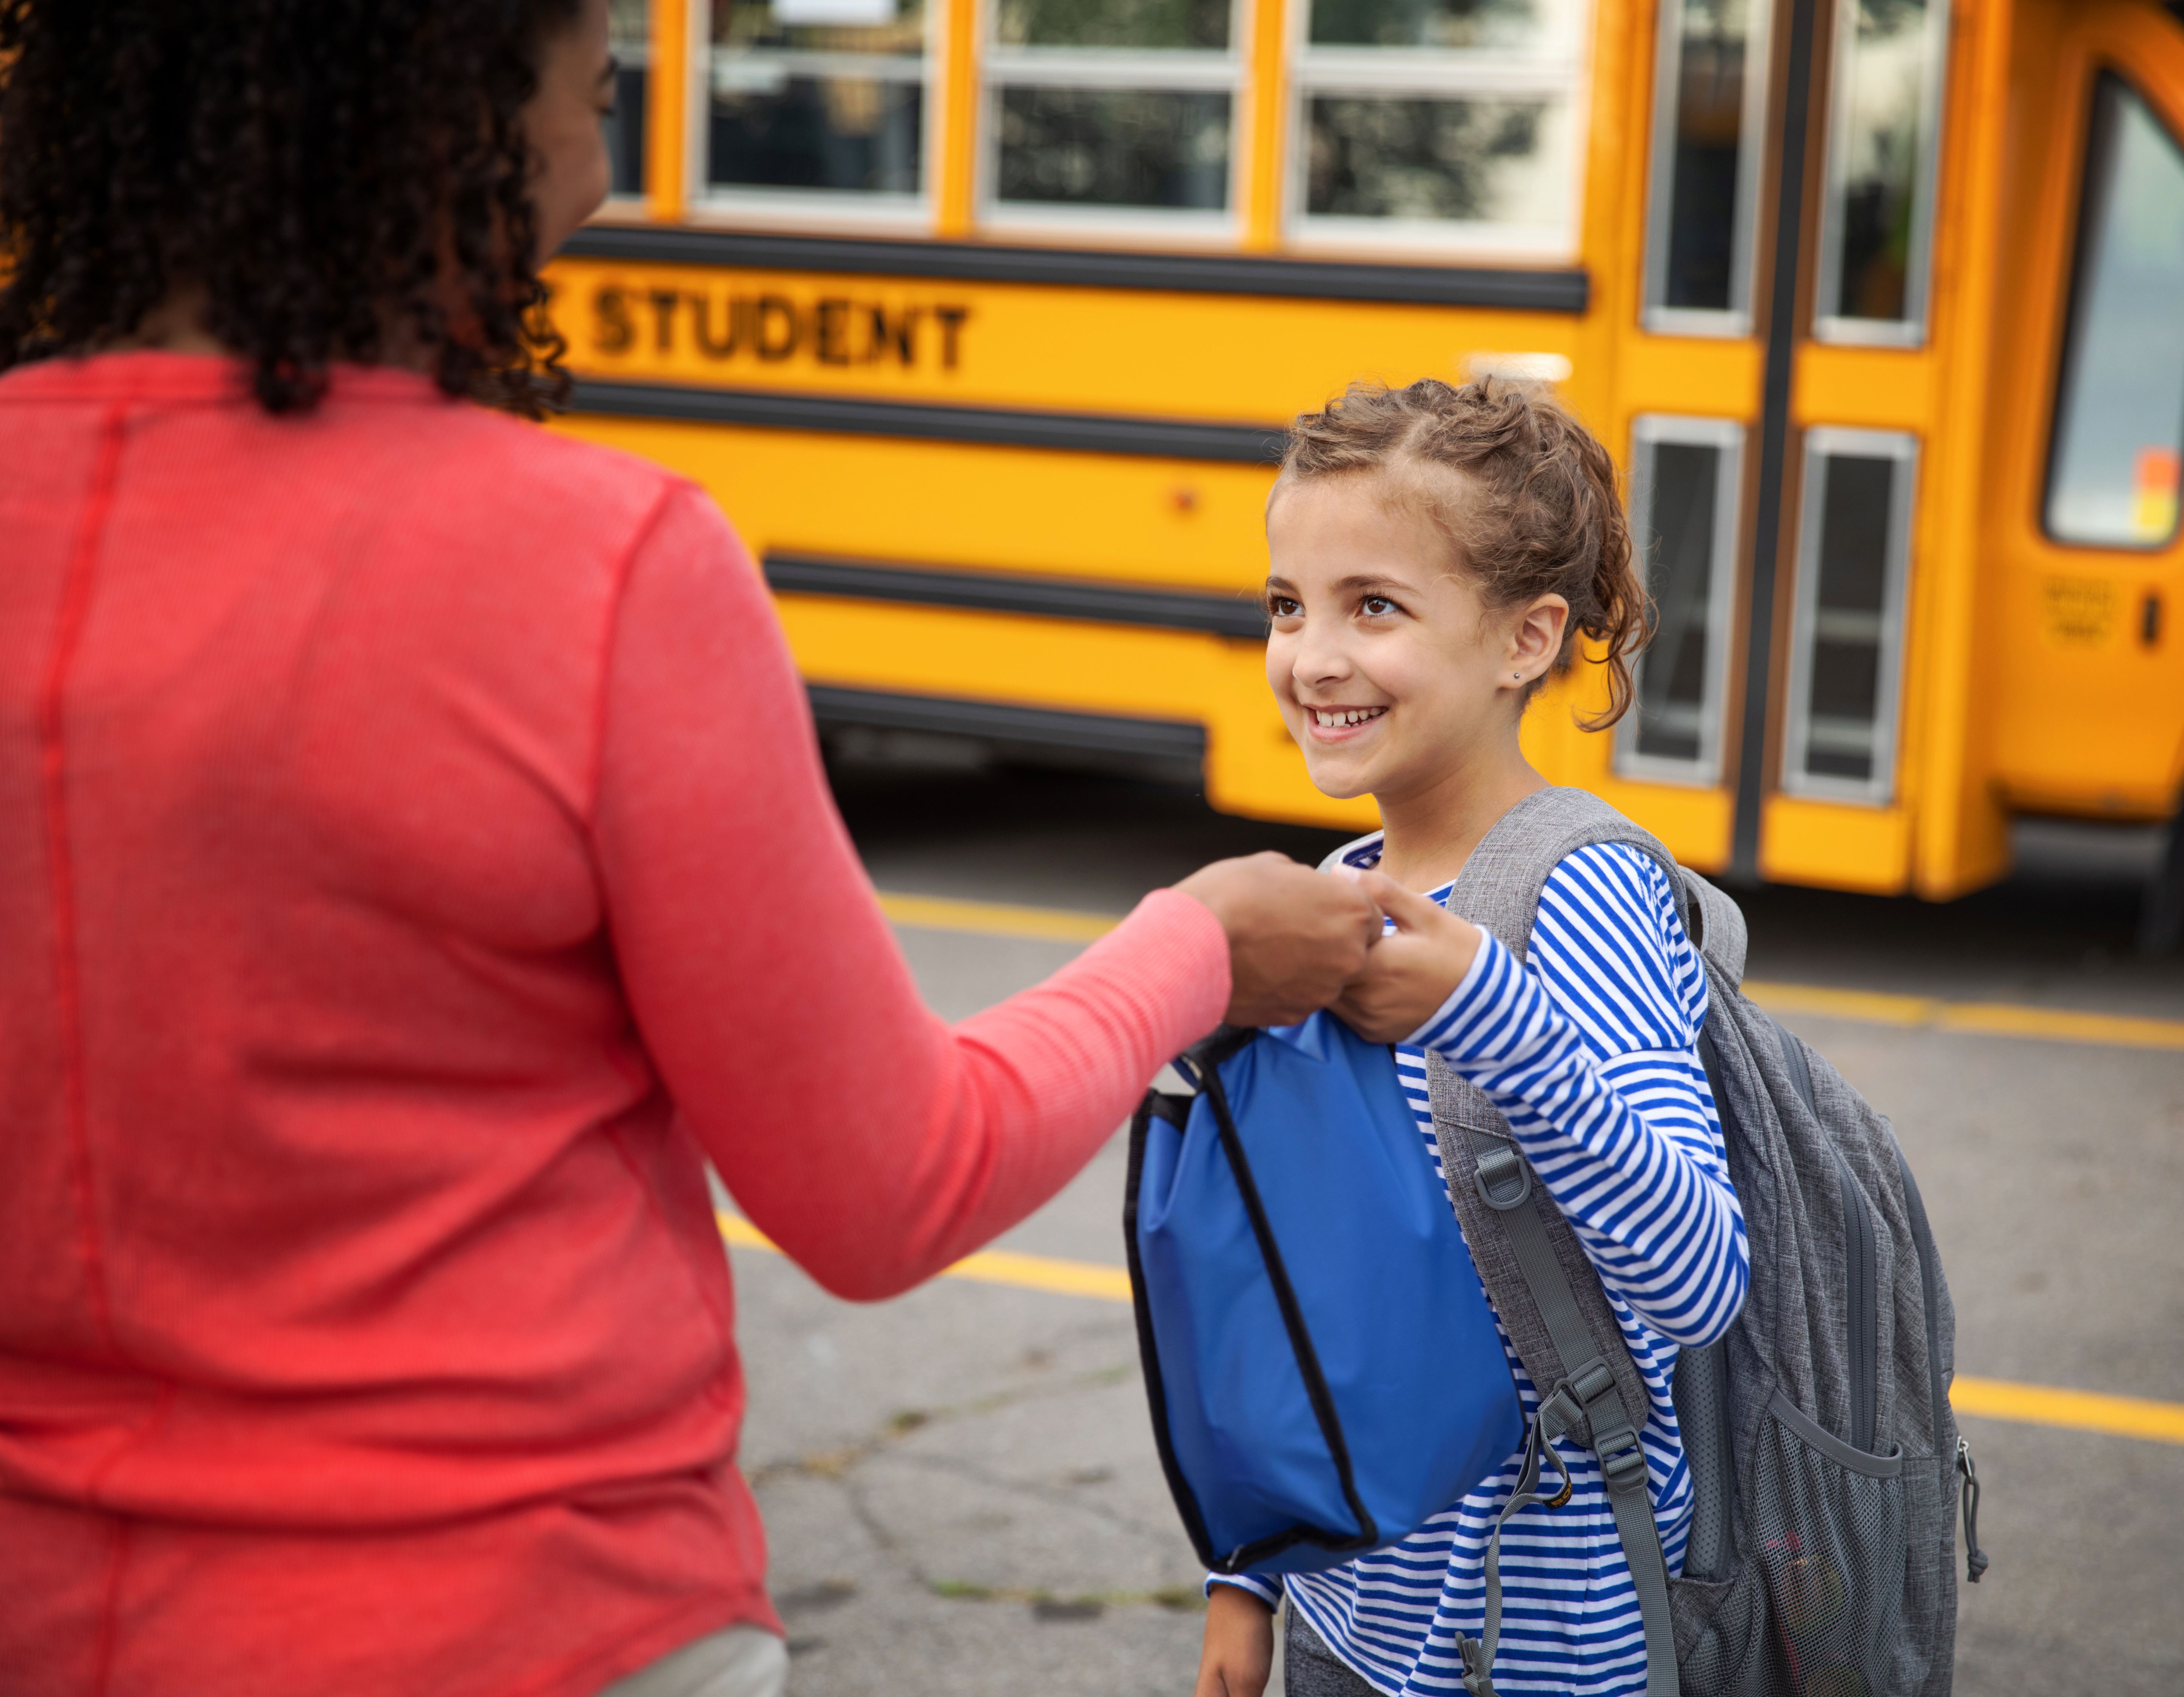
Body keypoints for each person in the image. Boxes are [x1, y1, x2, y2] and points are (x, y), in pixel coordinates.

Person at [0, 3, 1379, 1694]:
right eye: (596, 100)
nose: (601, 182)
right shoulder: (601, 569)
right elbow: (895, 1184)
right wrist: (1200, 949)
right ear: (454, 124)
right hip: (531, 1615)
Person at [1190, 380, 1753, 1697]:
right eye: (1288, 604)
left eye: (1372, 605)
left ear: (1524, 639)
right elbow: (1304, 1284)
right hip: (1347, 1613)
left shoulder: (1577, 889)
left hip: (1543, 1645)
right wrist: (1248, 1569)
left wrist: (1486, 1012)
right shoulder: (1336, 887)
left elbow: (1700, 1276)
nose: (1311, 655)